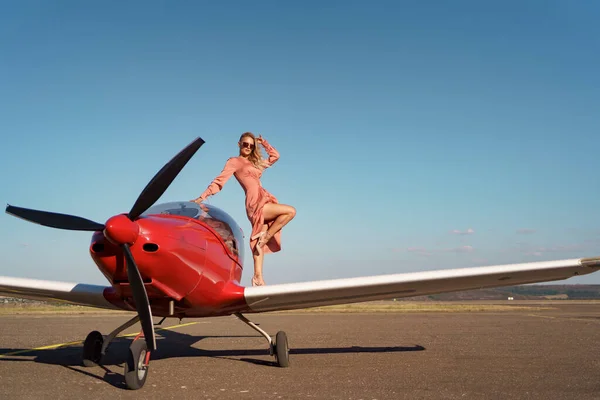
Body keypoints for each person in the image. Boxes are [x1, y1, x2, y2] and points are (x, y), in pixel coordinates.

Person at [191, 132, 296, 286]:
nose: (248, 147)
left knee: (258, 241)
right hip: (255, 204)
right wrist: (202, 197)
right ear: (239, 144)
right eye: (245, 144)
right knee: (290, 211)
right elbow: (219, 181)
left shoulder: (256, 163)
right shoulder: (234, 162)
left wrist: (264, 143)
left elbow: (275, 156)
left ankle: (257, 277)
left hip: (264, 198)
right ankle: (266, 237)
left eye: (251, 145)